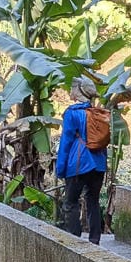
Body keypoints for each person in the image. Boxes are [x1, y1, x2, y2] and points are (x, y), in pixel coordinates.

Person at [55, 76, 107, 244]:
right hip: (98, 164)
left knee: (70, 203)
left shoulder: (72, 113)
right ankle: (94, 241)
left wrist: (60, 168)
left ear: (78, 92)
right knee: (93, 201)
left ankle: (75, 242)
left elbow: (66, 142)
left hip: (78, 164)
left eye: (72, 88)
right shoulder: (98, 113)